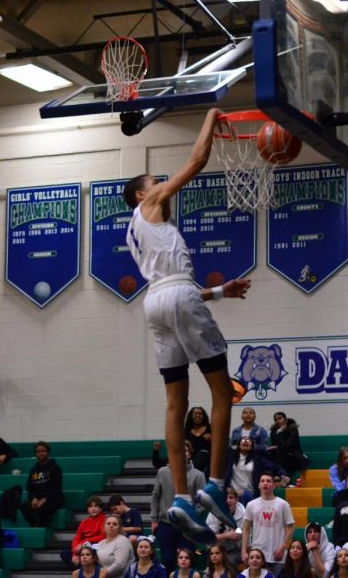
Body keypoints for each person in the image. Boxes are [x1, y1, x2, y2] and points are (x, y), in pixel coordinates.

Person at [123, 108, 251, 544]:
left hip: (157, 304)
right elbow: (196, 161)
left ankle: (180, 495)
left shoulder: (139, 231)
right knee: (221, 390)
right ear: (142, 195)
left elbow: (178, 291)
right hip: (175, 295)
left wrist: (220, 292)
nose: (161, 184)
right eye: (153, 182)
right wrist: (210, 117)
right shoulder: (152, 206)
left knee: (176, 403)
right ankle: (214, 482)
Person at [151, 441, 205, 570]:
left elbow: (202, 502)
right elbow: (155, 496)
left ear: (190, 454)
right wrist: (154, 519)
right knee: (167, 559)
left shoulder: (198, 475)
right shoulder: (163, 472)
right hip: (166, 523)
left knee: (187, 560)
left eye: (185, 451)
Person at [242, 472, 296, 576]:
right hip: (257, 554)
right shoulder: (251, 505)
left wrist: (283, 546)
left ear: (273, 485)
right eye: (262, 481)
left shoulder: (283, 504)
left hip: (277, 554)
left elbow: (291, 526)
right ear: (259, 485)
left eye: (268, 481)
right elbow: (246, 529)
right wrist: (244, 551)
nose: (265, 483)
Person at [225, 436, 289, 504]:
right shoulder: (230, 456)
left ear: (252, 447)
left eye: (249, 440)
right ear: (238, 445)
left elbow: (275, 468)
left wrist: (283, 474)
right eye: (243, 440)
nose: (246, 441)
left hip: (250, 494)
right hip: (232, 493)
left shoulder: (258, 460)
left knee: (245, 495)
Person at [21, 441, 65, 528]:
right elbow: (29, 487)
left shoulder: (55, 468)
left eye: (43, 451)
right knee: (24, 506)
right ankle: (34, 526)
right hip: (38, 498)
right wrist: (34, 498)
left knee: (42, 508)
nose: (40, 453)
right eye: (38, 451)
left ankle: (42, 529)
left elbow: (56, 488)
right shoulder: (33, 470)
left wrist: (43, 500)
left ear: (48, 453)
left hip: (54, 499)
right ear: (35, 454)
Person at [207, 487, 247, 569]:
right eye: (225, 498)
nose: (228, 500)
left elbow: (245, 535)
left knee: (229, 561)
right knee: (211, 567)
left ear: (236, 500)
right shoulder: (214, 512)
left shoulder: (243, 514)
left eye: (231, 498)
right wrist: (228, 535)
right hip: (216, 549)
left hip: (235, 549)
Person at [66, 496, 107, 567]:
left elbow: (103, 536)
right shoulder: (84, 523)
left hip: (97, 546)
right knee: (65, 554)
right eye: (90, 506)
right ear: (88, 509)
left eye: (96, 506)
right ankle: (84, 568)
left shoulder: (105, 520)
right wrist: (75, 554)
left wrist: (84, 542)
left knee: (92, 551)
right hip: (84, 547)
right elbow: (77, 538)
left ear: (100, 509)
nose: (93, 508)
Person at [269, 412, 308, 480]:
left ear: (286, 420)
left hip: (293, 456)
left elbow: (286, 446)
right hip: (280, 456)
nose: (278, 421)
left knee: (281, 453)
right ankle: (277, 477)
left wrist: (280, 432)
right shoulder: (274, 431)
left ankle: (282, 477)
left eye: (280, 418)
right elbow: (274, 445)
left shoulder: (293, 429)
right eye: (276, 420)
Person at [184, 406, 213, 473]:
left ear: (203, 416)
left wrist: (212, 439)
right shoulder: (186, 430)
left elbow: (220, 445)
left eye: (200, 414)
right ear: (191, 416)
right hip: (191, 459)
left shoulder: (210, 428)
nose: (198, 416)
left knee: (202, 453)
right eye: (195, 414)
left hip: (208, 459)